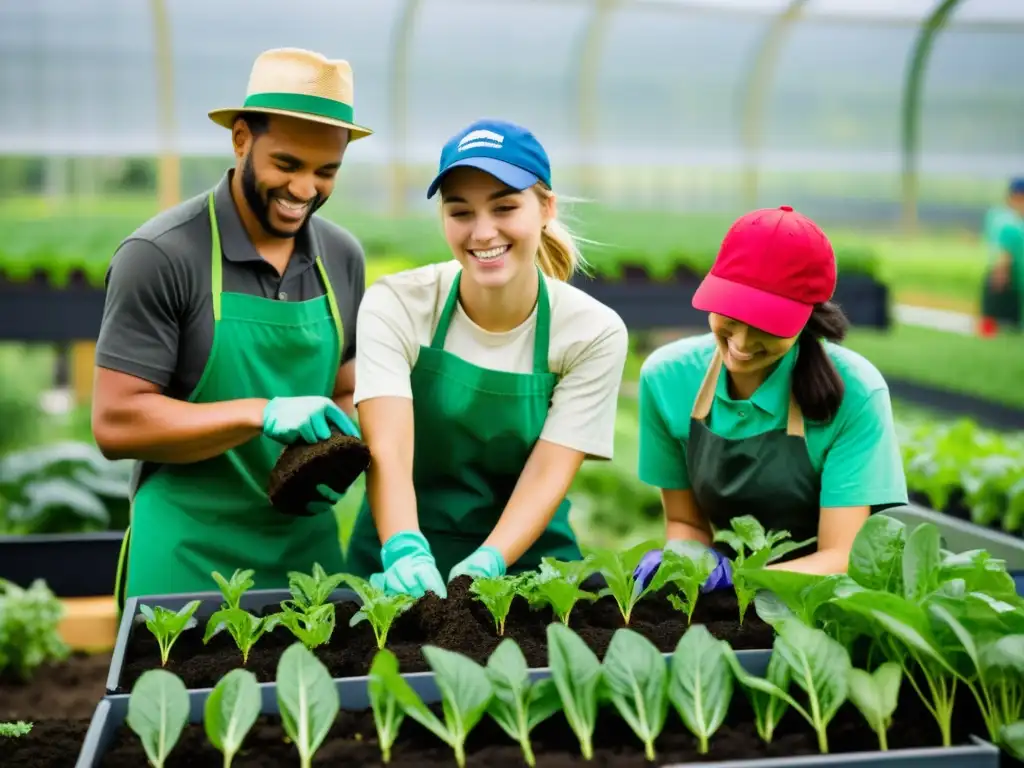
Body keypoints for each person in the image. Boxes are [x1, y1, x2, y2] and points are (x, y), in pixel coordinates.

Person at [92, 48, 372, 602]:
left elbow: (347, 386)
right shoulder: (161, 255)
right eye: (287, 165)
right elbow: (116, 422)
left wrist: (341, 448)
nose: (304, 190)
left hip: (306, 558)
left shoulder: (341, 256)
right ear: (241, 139)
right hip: (188, 556)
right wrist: (260, 414)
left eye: (326, 172)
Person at [345, 119, 629, 597]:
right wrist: (403, 549)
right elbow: (387, 449)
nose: (482, 232)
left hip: (529, 564)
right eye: (460, 212)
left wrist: (489, 561)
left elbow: (548, 471)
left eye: (504, 208)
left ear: (546, 208)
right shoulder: (397, 303)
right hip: (395, 561)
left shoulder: (591, 331)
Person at [632, 205, 908, 590]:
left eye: (767, 324)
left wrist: (740, 580)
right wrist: (688, 562)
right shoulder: (668, 379)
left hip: (830, 598)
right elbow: (688, 523)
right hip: (738, 604)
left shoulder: (858, 393)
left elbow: (843, 557)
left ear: (807, 317)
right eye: (730, 313)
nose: (741, 344)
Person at [980, 177, 1024, 333]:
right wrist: (1001, 273)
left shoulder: (1000, 217)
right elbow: (1003, 255)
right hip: (1012, 280)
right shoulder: (1009, 223)